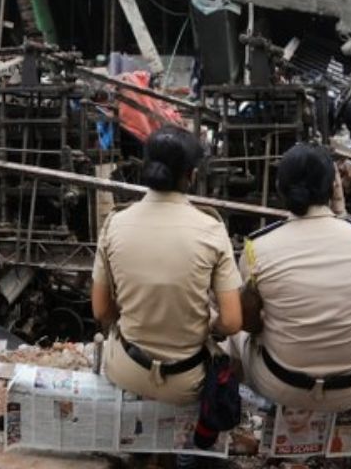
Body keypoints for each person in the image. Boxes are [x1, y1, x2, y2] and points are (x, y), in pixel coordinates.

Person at [228, 145, 351, 412]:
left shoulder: (258, 248)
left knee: (230, 334)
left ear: (280, 188)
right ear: (331, 188)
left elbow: (249, 322)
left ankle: (237, 407)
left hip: (281, 385)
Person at [93, 125, 243, 403]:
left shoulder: (115, 223)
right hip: (188, 382)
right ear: (192, 175)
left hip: (127, 370)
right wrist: (210, 327)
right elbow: (233, 322)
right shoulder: (211, 228)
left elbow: (101, 309)